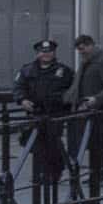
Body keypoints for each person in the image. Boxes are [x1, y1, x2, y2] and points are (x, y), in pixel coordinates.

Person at [14, 38, 76, 184]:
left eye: (49, 52)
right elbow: (18, 87)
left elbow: (72, 90)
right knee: (35, 143)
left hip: (55, 113)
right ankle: (40, 173)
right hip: (35, 113)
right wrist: (22, 100)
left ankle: (54, 173)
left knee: (52, 143)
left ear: (54, 53)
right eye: (43, 52)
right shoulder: (27, 70)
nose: (46, 54)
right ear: (37, 53)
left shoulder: (64, 71)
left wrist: (65, 103)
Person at [70, 34, 103, 189]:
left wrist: (97, 99)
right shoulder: (90, 61)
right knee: (96, 144)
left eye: (82, 49)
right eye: (79, 50)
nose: (81, 53)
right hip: (95, 109)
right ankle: (98, 174)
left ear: (90, 45)